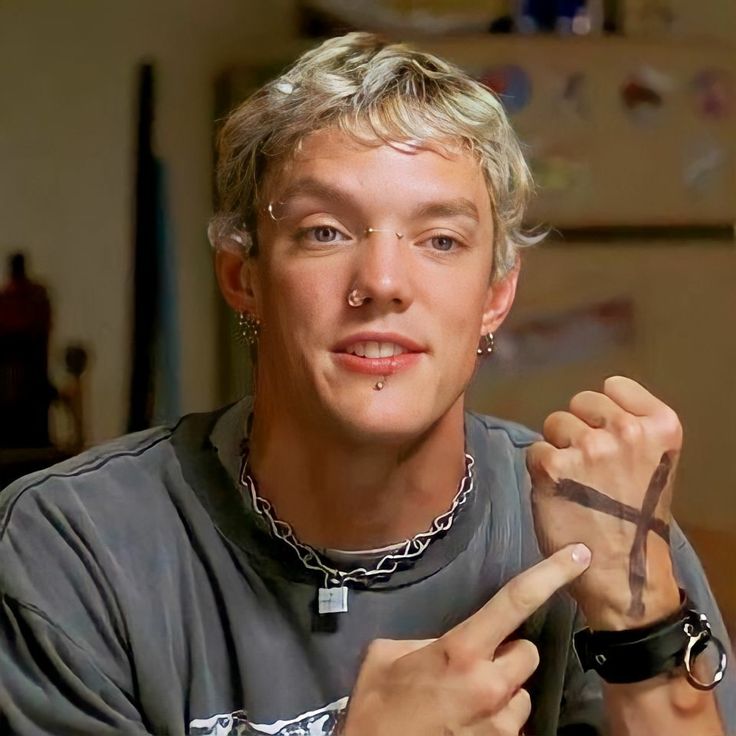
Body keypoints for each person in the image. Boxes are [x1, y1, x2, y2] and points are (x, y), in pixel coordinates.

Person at [0, 33, 733, 736]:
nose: (382, 283)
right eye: (325, 231)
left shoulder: (597, 519)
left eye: (440, 240)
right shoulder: (69, 548)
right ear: (243, 277)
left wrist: (638, 619)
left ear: (495, 296)